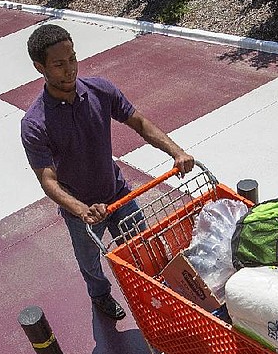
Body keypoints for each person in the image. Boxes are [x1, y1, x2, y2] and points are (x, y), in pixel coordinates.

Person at [20, 24, 195, 321]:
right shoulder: (35, 123)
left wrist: (176, 152)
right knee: (90, 263)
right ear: (40, 67)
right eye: (59, 64)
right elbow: (47, 180)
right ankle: (99, 295)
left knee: (142, 247)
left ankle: (155, 292)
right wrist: (81, 209)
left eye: (72, 58)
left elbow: (139, 122)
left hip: (118, 193)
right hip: (82, 212)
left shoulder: (100, 90)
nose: (70, 69)